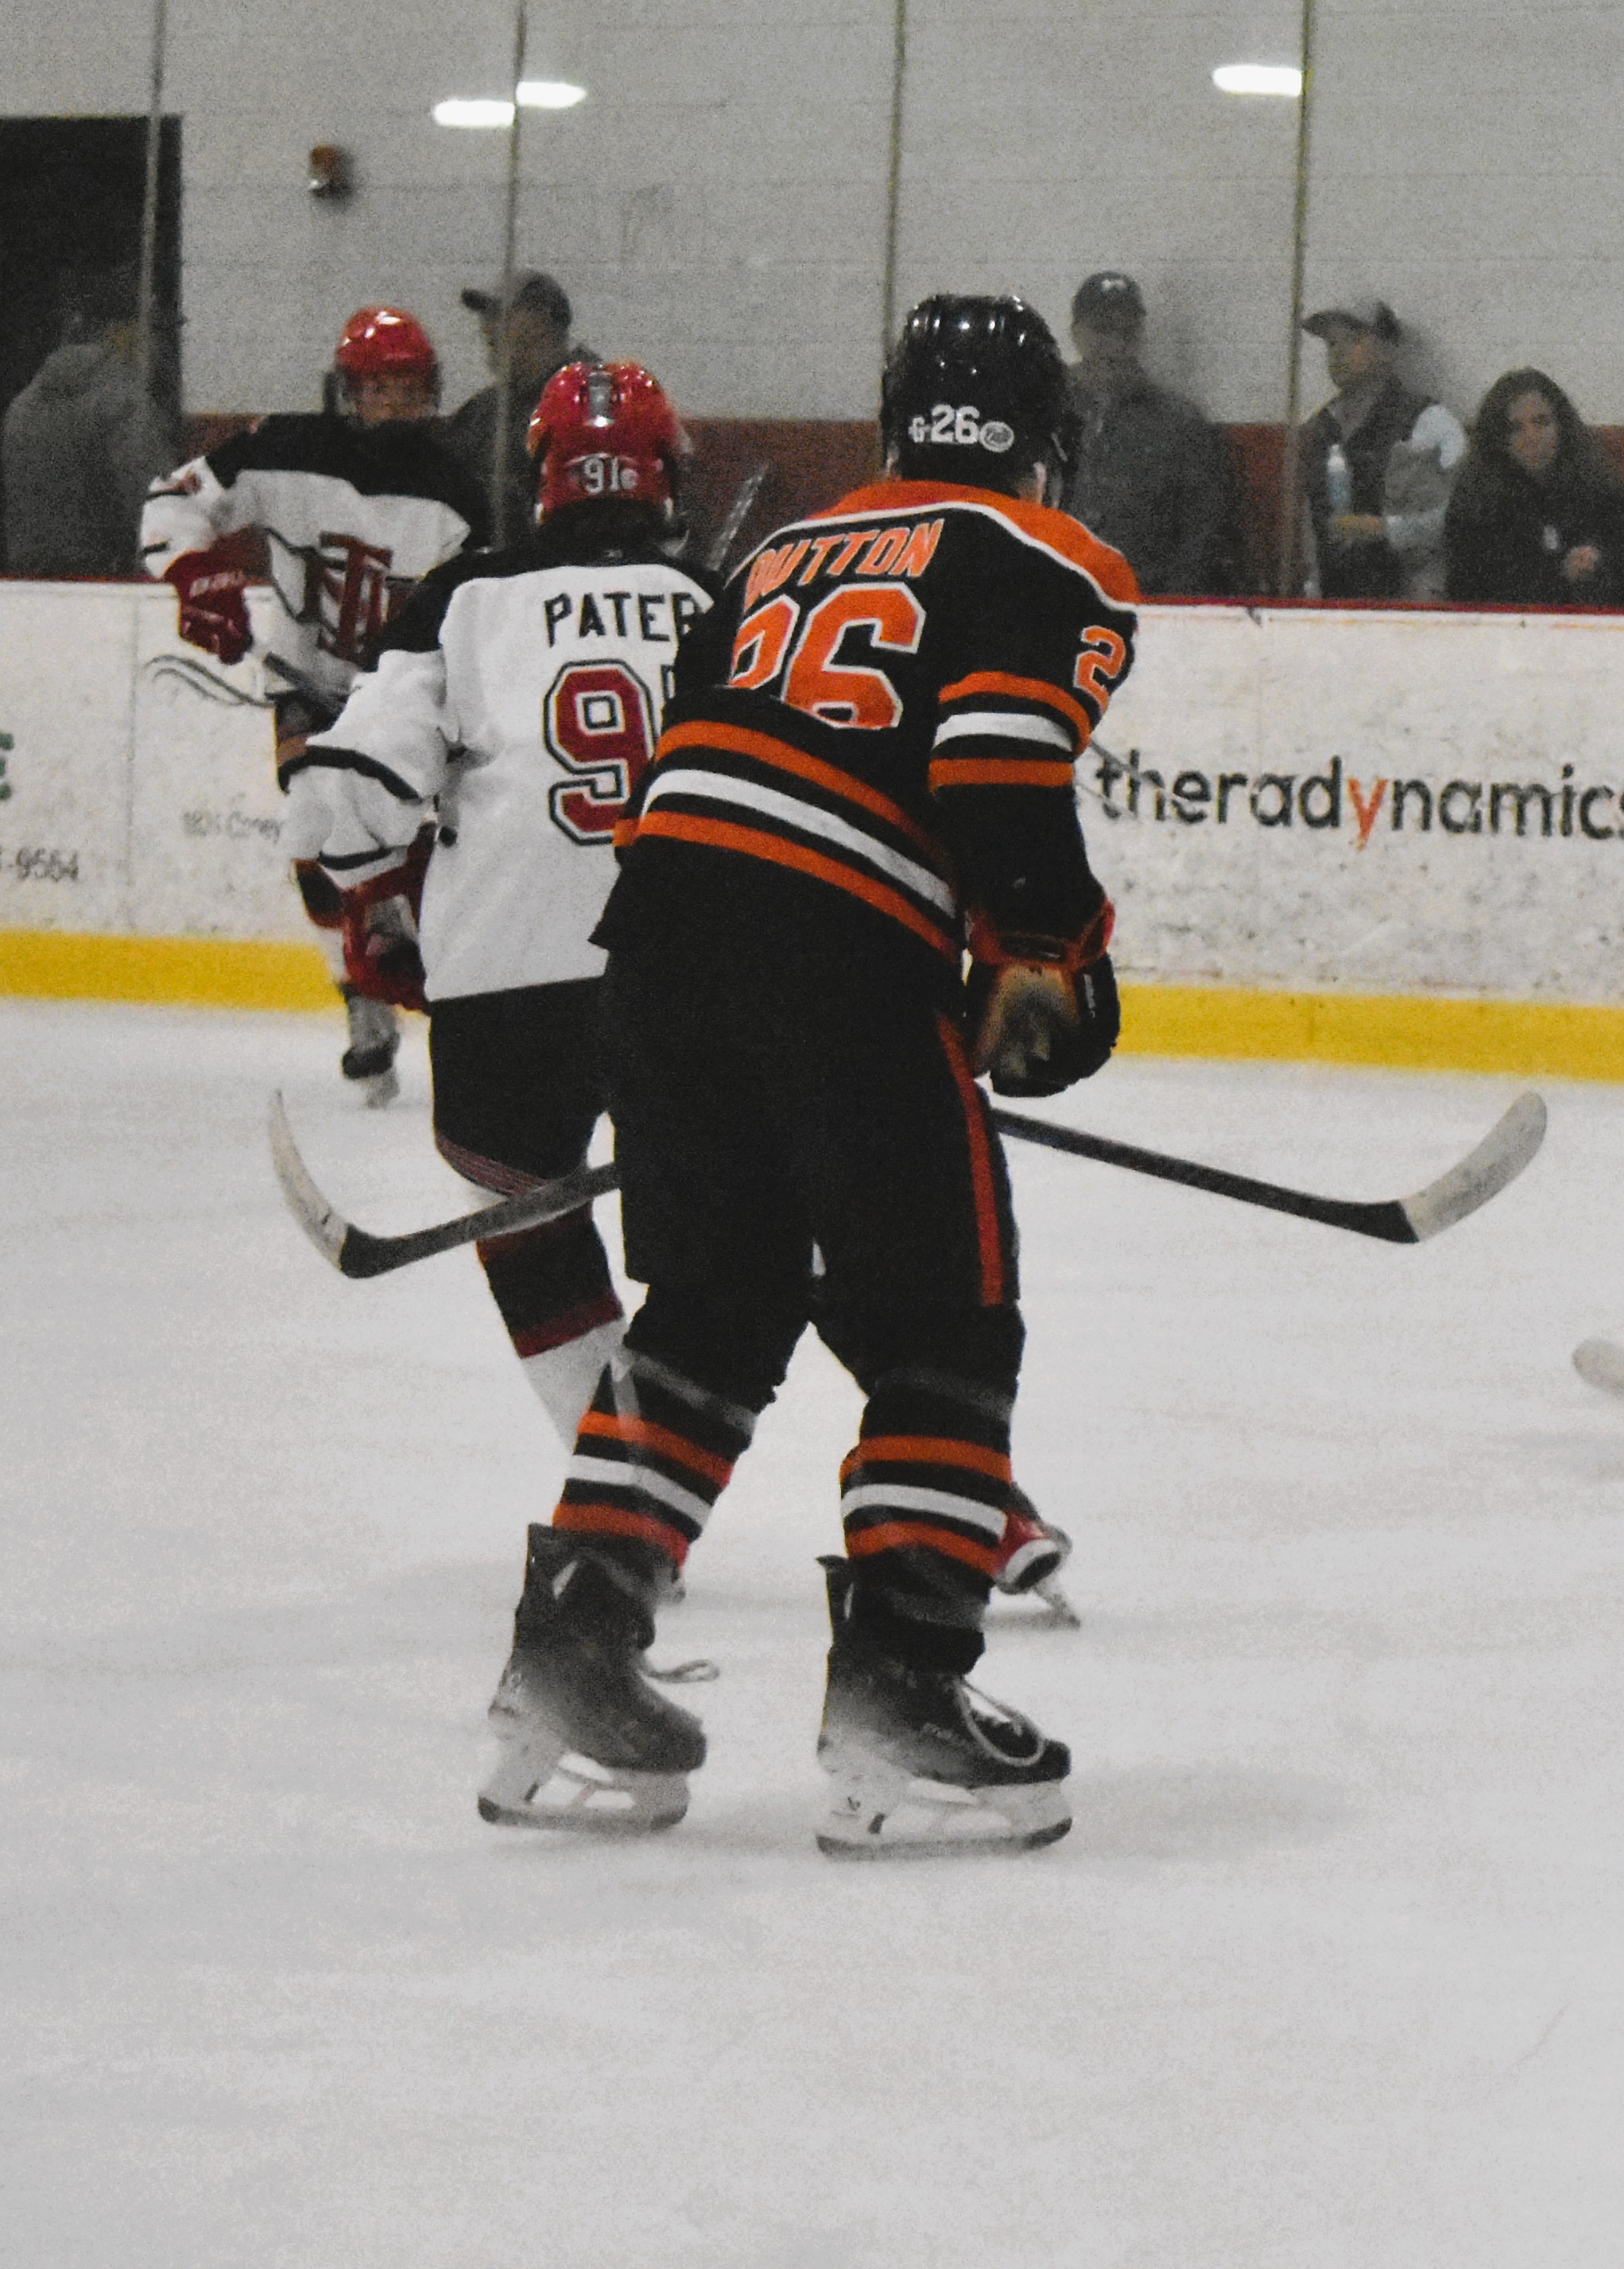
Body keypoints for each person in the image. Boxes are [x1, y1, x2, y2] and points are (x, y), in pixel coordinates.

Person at [475, 293, 1132, 1856]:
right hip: (837, 943)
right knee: (945, 1311)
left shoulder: (779, 551)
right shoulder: (1047, 553)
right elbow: (994, 755)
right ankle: (904, 1685)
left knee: (714, 1304)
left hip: (657, 935)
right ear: (1045, 439)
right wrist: (1039, 942)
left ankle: (571, 1656)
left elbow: (693, 762)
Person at [280, 363, 713, 1445]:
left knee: (522, 1213)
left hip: (508, 984)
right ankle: (956, 1471)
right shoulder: (723, 601)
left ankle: (616, 1471)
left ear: (541, 481)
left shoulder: (463, 597)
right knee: (756, 1242)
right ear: (665, 476)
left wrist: (374, 899)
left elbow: (354, 799)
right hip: (697, 979)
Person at [141, 306, 488, 1105]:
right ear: (346, 392)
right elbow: (175, 500)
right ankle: (361, 998)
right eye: (380, 389)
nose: (396, 406)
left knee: (410, 853)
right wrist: (196, 575)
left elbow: (474, 611)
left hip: (400, 696)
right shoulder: (283, 449)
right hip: (306, 680)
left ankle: (436, 986)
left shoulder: (459, 494)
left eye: (410, 390)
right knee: (309, 839)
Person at [1066, 271, 1238, 595]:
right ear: (1077, 333)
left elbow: (1203, 534)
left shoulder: (1181, 424)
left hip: (1145, 599)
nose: (1115, 344)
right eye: (1103, 330)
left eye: (1127, 332)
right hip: (1054, 594)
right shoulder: (1042, 413)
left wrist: (1167, 609)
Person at [1446, 367, 1624, 607]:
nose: (1532, 438)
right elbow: (1467, 595)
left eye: (1541, 422)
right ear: (1498, 438)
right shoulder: (1476, 504)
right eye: (1516, 428)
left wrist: (1601, 568)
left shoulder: (1604, 493)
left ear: (1562, 427)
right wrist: (1556, 577)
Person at [2, 273, 176, 576]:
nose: (160, 345)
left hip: (28, 584)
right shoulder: (123, 403)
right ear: (122, 331)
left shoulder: (24, 404)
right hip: (107, 584)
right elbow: (156, 509)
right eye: (155, 330)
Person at [1293, 297, 1463, 599]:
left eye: (1354, 340)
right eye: (1332, 344)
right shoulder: (1320, 429)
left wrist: (1386, 529)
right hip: (1334, 603)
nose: (1339, 353)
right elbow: (1311, 530)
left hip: (1410, 604)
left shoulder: (1430, 422)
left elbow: (1462, 517)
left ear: (1388, 350)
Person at [442, 270, 591, 550]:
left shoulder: (593, 400)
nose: (487, 327)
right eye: (486, 316)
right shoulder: (481, 412)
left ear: (541, 321)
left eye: (501, 315)